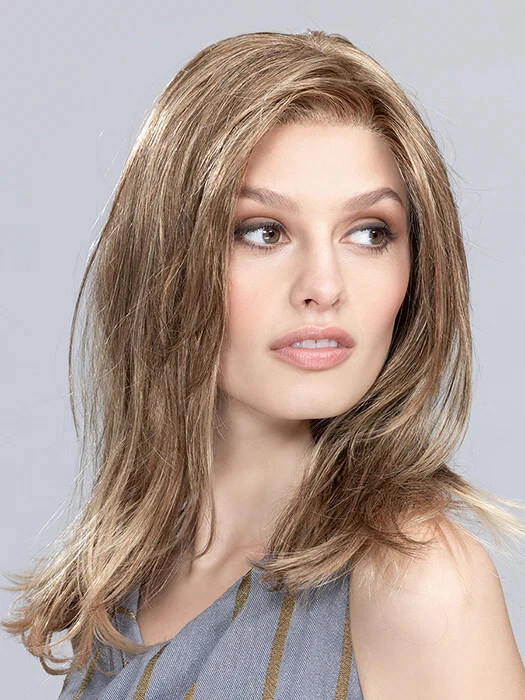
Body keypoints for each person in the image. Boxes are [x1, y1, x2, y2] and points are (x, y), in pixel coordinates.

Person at [2, 29, 525, 699]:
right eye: (264, 232)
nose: (323, 286)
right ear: (168, 260)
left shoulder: (417, 584)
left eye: (369, 233)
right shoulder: (127, 583)